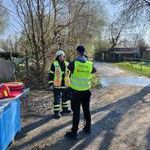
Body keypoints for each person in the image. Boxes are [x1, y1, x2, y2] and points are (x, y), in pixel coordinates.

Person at [65, 45, 96, 139]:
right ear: (84, 52)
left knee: (76, 112)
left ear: (78, 52)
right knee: (87, 110)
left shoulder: (74, 63)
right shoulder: (89, 64)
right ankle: (88, 128)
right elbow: (94, 71)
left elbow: (67, 73)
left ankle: (74, 133)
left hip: (76, 92)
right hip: (86, 91)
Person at [48, 50, 71, 119]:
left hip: (65, 85)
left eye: (62, 56)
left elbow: (70, 74)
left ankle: (65, 109)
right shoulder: (54, 64)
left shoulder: (67, 64)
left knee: (65, 98)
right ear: (57, 57)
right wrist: (50, 84)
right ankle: (56, 113)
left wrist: (70, 83)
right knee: (57, 99)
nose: (61, 57)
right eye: (60, 56)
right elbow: (51, 75)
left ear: (64, 56)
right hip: (56, 85)